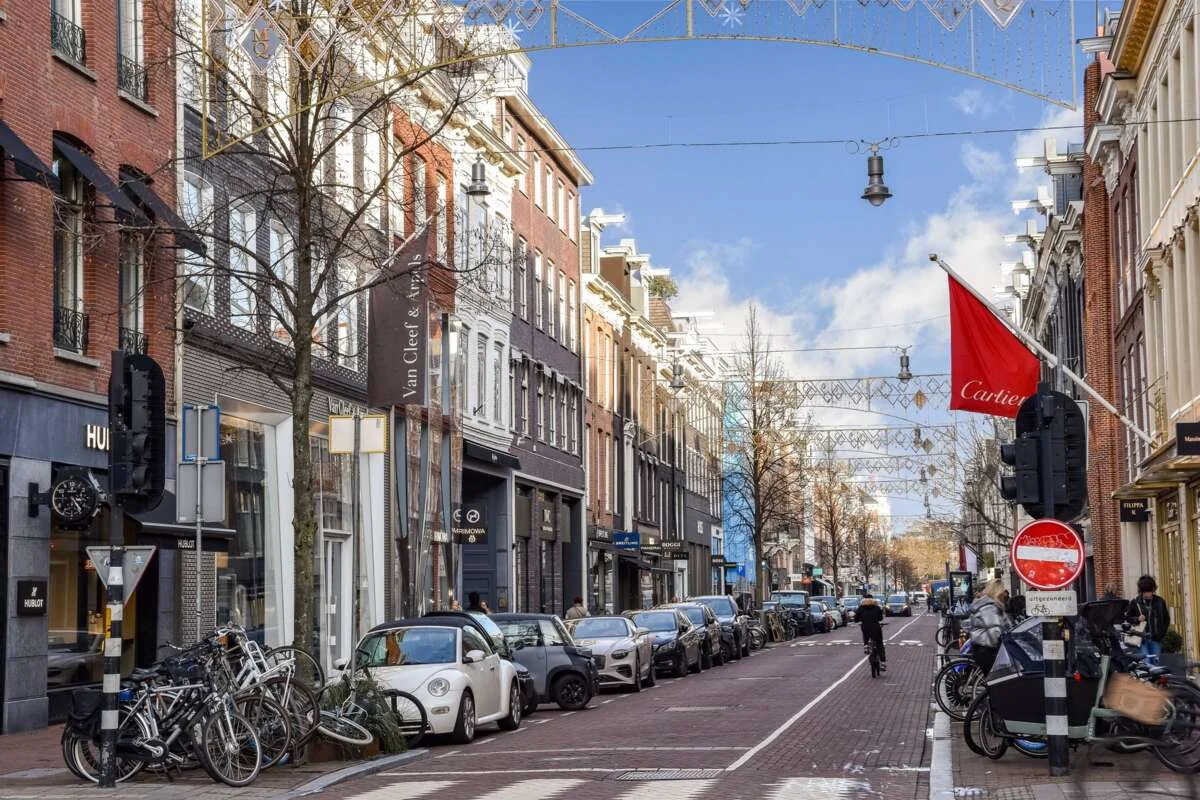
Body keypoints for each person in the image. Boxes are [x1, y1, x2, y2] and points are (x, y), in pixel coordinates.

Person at [967, 580, 1010, 674]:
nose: (1005, 595)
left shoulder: (991, 605)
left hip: (981, 646)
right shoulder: (989, 607)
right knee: (996, 677)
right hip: (986, 649)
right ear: (998, 592)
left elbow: (1006, 623)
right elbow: (994, 630)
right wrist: (1000, 647)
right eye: (1003, 592)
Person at [1125, 574, 1170, 664]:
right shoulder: (1135, 602)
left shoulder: (1160, 602)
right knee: (1146, 663)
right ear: (1141, 591)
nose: (1147, 594)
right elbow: (1127, 617)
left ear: (1153, 589)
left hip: (1156, 638)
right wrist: (1137, 619)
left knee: (1156, 663)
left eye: (1149, 591)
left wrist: (1161, 634)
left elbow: (1166, 619)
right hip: (1141, 639)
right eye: (1145, 591)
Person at [856, 593, 885, 670]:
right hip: (876, 628)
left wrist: (860, 619)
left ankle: (866, 645)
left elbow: (856, 618)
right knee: (880, 645)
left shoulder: (861, 608)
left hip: (865, 627)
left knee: (865, 633)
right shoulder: (877, 608)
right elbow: (880, 618)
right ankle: (883, 663)